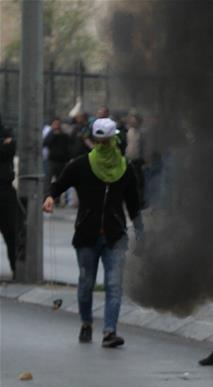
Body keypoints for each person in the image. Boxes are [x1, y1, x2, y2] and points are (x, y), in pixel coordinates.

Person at [42, 118, 143, 348]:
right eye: (101, 142)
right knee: (86, 283)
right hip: (87, 236)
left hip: (115, 237)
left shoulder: (125, 168)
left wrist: (140, 232)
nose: (104, 146)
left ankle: (109, 332)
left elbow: (134, 205)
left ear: (113, 141)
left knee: (114, 285)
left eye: (107, 141)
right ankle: (86, 322)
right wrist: (50, 197)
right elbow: (59, 184)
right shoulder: (81, 165)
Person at [0, 115, 19, 276]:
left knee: (12, 233)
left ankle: (16, 268)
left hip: (5, 190)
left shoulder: (7, 133)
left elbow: (11, 148)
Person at [42, 118, 72, 202]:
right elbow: (45, 143)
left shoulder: (64, 135)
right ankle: (47, 198)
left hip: (62, 162)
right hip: (52, 161)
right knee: (47, 182)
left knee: (60, 182)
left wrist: (68, 158)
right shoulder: (51, 134)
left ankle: (58, 199)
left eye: (58, 124)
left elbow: (68, 147)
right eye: (55, 124)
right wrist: (52, 132)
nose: (57, 126)